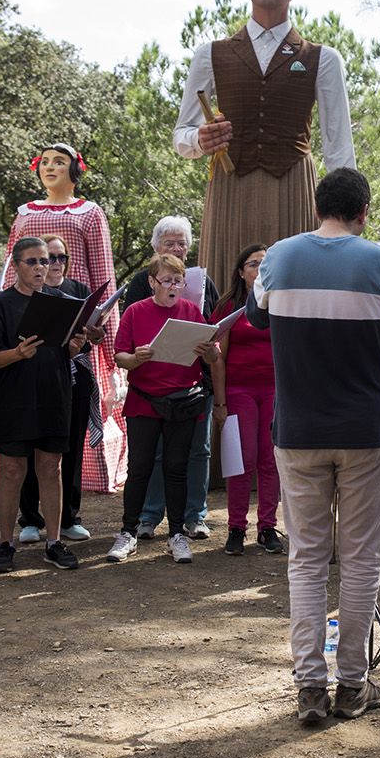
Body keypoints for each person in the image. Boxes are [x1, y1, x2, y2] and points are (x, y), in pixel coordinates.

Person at [246, 168, 380, 725]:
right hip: (364, 432)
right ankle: (353, 683)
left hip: (299, 432)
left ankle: (310, 684)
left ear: (318, 207)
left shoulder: (279, 258)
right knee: (361, 560)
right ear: (363, 213)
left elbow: (254, 315)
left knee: (306, 559)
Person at [173, 0, 355, 281]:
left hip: (294, 188)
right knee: (226, 288)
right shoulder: (210, 55)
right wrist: (200, 140)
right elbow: (182, 135)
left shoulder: (323, 59)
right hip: (230, 190)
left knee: (296, 292)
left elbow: (339, 150)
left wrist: (345, 218)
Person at [0, 142, 125, 494]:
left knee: (68, 416)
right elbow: (7, 272)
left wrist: (109, 337)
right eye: (45, 162)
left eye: (60, 161)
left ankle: (71, 499)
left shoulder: (89, 212)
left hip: (74, 320)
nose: (50, 167)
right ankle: (26, 509)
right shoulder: (24, 213)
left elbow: (103, 272)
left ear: (75, 170)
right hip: (21, 325)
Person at [106, 254, 226, 565]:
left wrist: (208, 352)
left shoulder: (191, 311)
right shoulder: (135, 311)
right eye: (167, 280)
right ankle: (128, 532)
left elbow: (213, 357)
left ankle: (176, 535)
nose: (173, 286)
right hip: (144, 401)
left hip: (183, 401)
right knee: (140, 468)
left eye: (178, 281)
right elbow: (119, 357)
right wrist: (136, 358)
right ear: (152, 282)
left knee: (177, 468)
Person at [0, 237, 86, 574]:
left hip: (54, 396)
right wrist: (17, 354)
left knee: (51, 468)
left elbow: (61, 352)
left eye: (47, 261)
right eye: (33, 261)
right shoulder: (2, 305)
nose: (42, 267)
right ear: (15, 265)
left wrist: (75, 346)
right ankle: (5, 543)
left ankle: (53, 542)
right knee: (12, 470)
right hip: (14, 399)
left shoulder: (62, 302)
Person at [128, 216, 219, 540]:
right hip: (152, 387)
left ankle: (195, 516)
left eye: (182, 242)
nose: (177, 248)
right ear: (156, 247)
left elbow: (213, 325)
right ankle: (150, 516)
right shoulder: (142, 281)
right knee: (154, 453)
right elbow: (133, 333)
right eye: (170, 243)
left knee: (198, 451)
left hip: (195, 385)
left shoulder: (203, 281)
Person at [16, 234, 100, 544]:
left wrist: (94, 333)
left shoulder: (77, 290)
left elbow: (91, 338)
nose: (54, 264)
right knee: (30, 451)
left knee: (70, 450)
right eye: (47, 258)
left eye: (60, 257)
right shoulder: (29, 295)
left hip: (74, 379)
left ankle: (69, 518)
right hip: (34, 381)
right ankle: (30, 519)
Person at [214, 243, 283, 556]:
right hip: (238, 390)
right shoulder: (229, 306)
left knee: (270, 460)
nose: (259, 269)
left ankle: (267, 527)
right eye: (253, 264)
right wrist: (219, 402)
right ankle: (236, 528)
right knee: (241, 460)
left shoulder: (279, 302)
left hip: (274, 390)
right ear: (241, 272)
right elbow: (216, 358)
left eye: (265, 264)